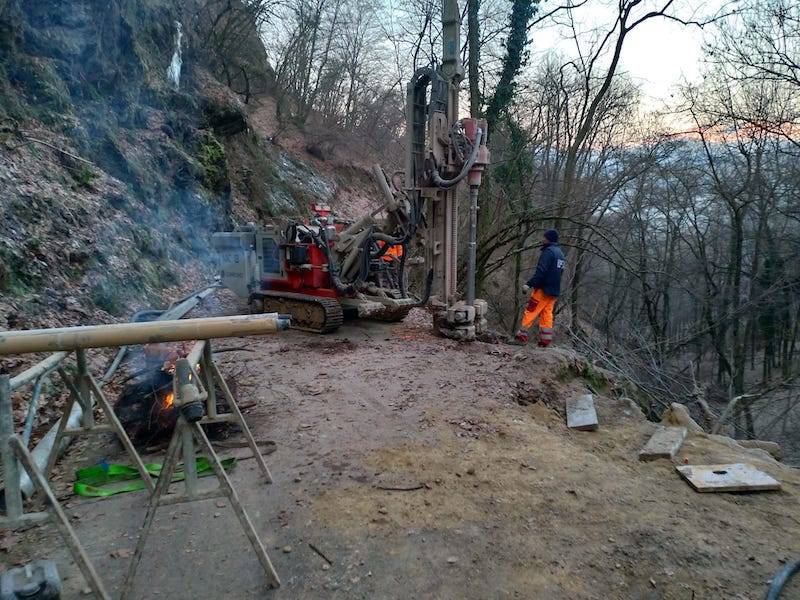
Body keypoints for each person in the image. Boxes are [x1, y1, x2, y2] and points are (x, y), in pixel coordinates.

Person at [515, 229, 565, 346]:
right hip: (554, 290)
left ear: (548, 239)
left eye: (544, 237)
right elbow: (560, 273)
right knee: (547, 314)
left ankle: (521, 336)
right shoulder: (561, 254)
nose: (542, 239)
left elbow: (541, 271)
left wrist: (529, 284)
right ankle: (545, 340)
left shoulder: (548, 252)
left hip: (543, 289)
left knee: (531, 310)